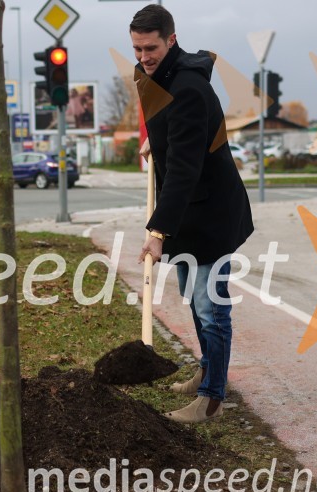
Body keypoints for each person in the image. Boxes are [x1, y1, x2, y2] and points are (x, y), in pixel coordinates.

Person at [130, 6, 254, 423]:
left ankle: (212, 397)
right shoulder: (159, 77)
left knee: (210, 307)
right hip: (190, 210)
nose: (144, 56)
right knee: (193, 297)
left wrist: (158, 232)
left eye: (151, 47)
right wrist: (155, 145)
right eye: (137, 48)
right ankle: (208, 370)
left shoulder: (187, 87)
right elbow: (179, 139)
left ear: (172, 40)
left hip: (211, 213)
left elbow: (186, 168)